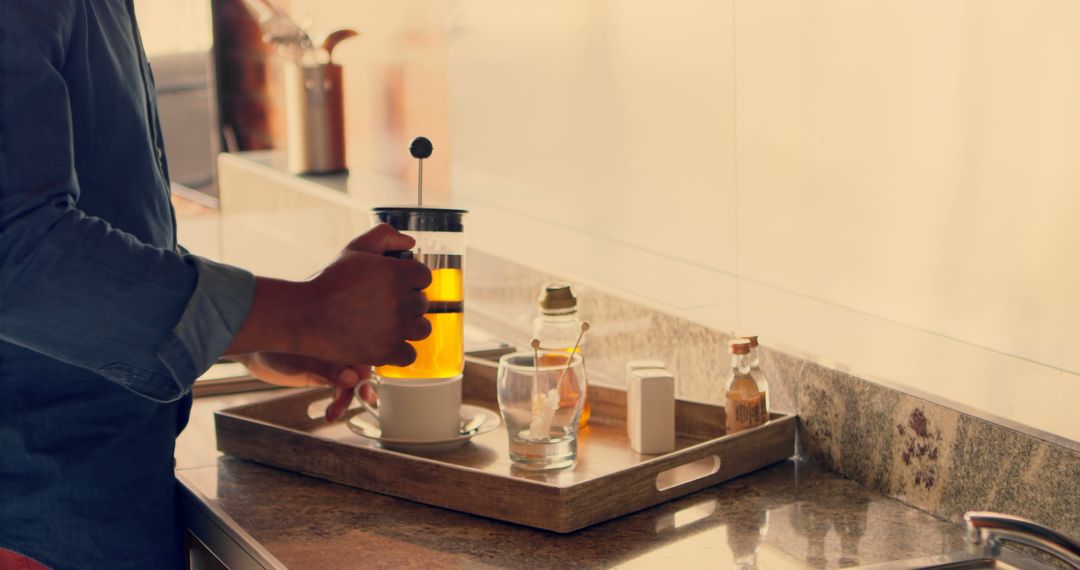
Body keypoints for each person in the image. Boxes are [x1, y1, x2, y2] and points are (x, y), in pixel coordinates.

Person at [0, 3, 431, 568]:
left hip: (96, 491)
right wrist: (308, 312)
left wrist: (251, 329)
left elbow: (102, 233)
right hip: (31, 519)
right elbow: (16, 251)